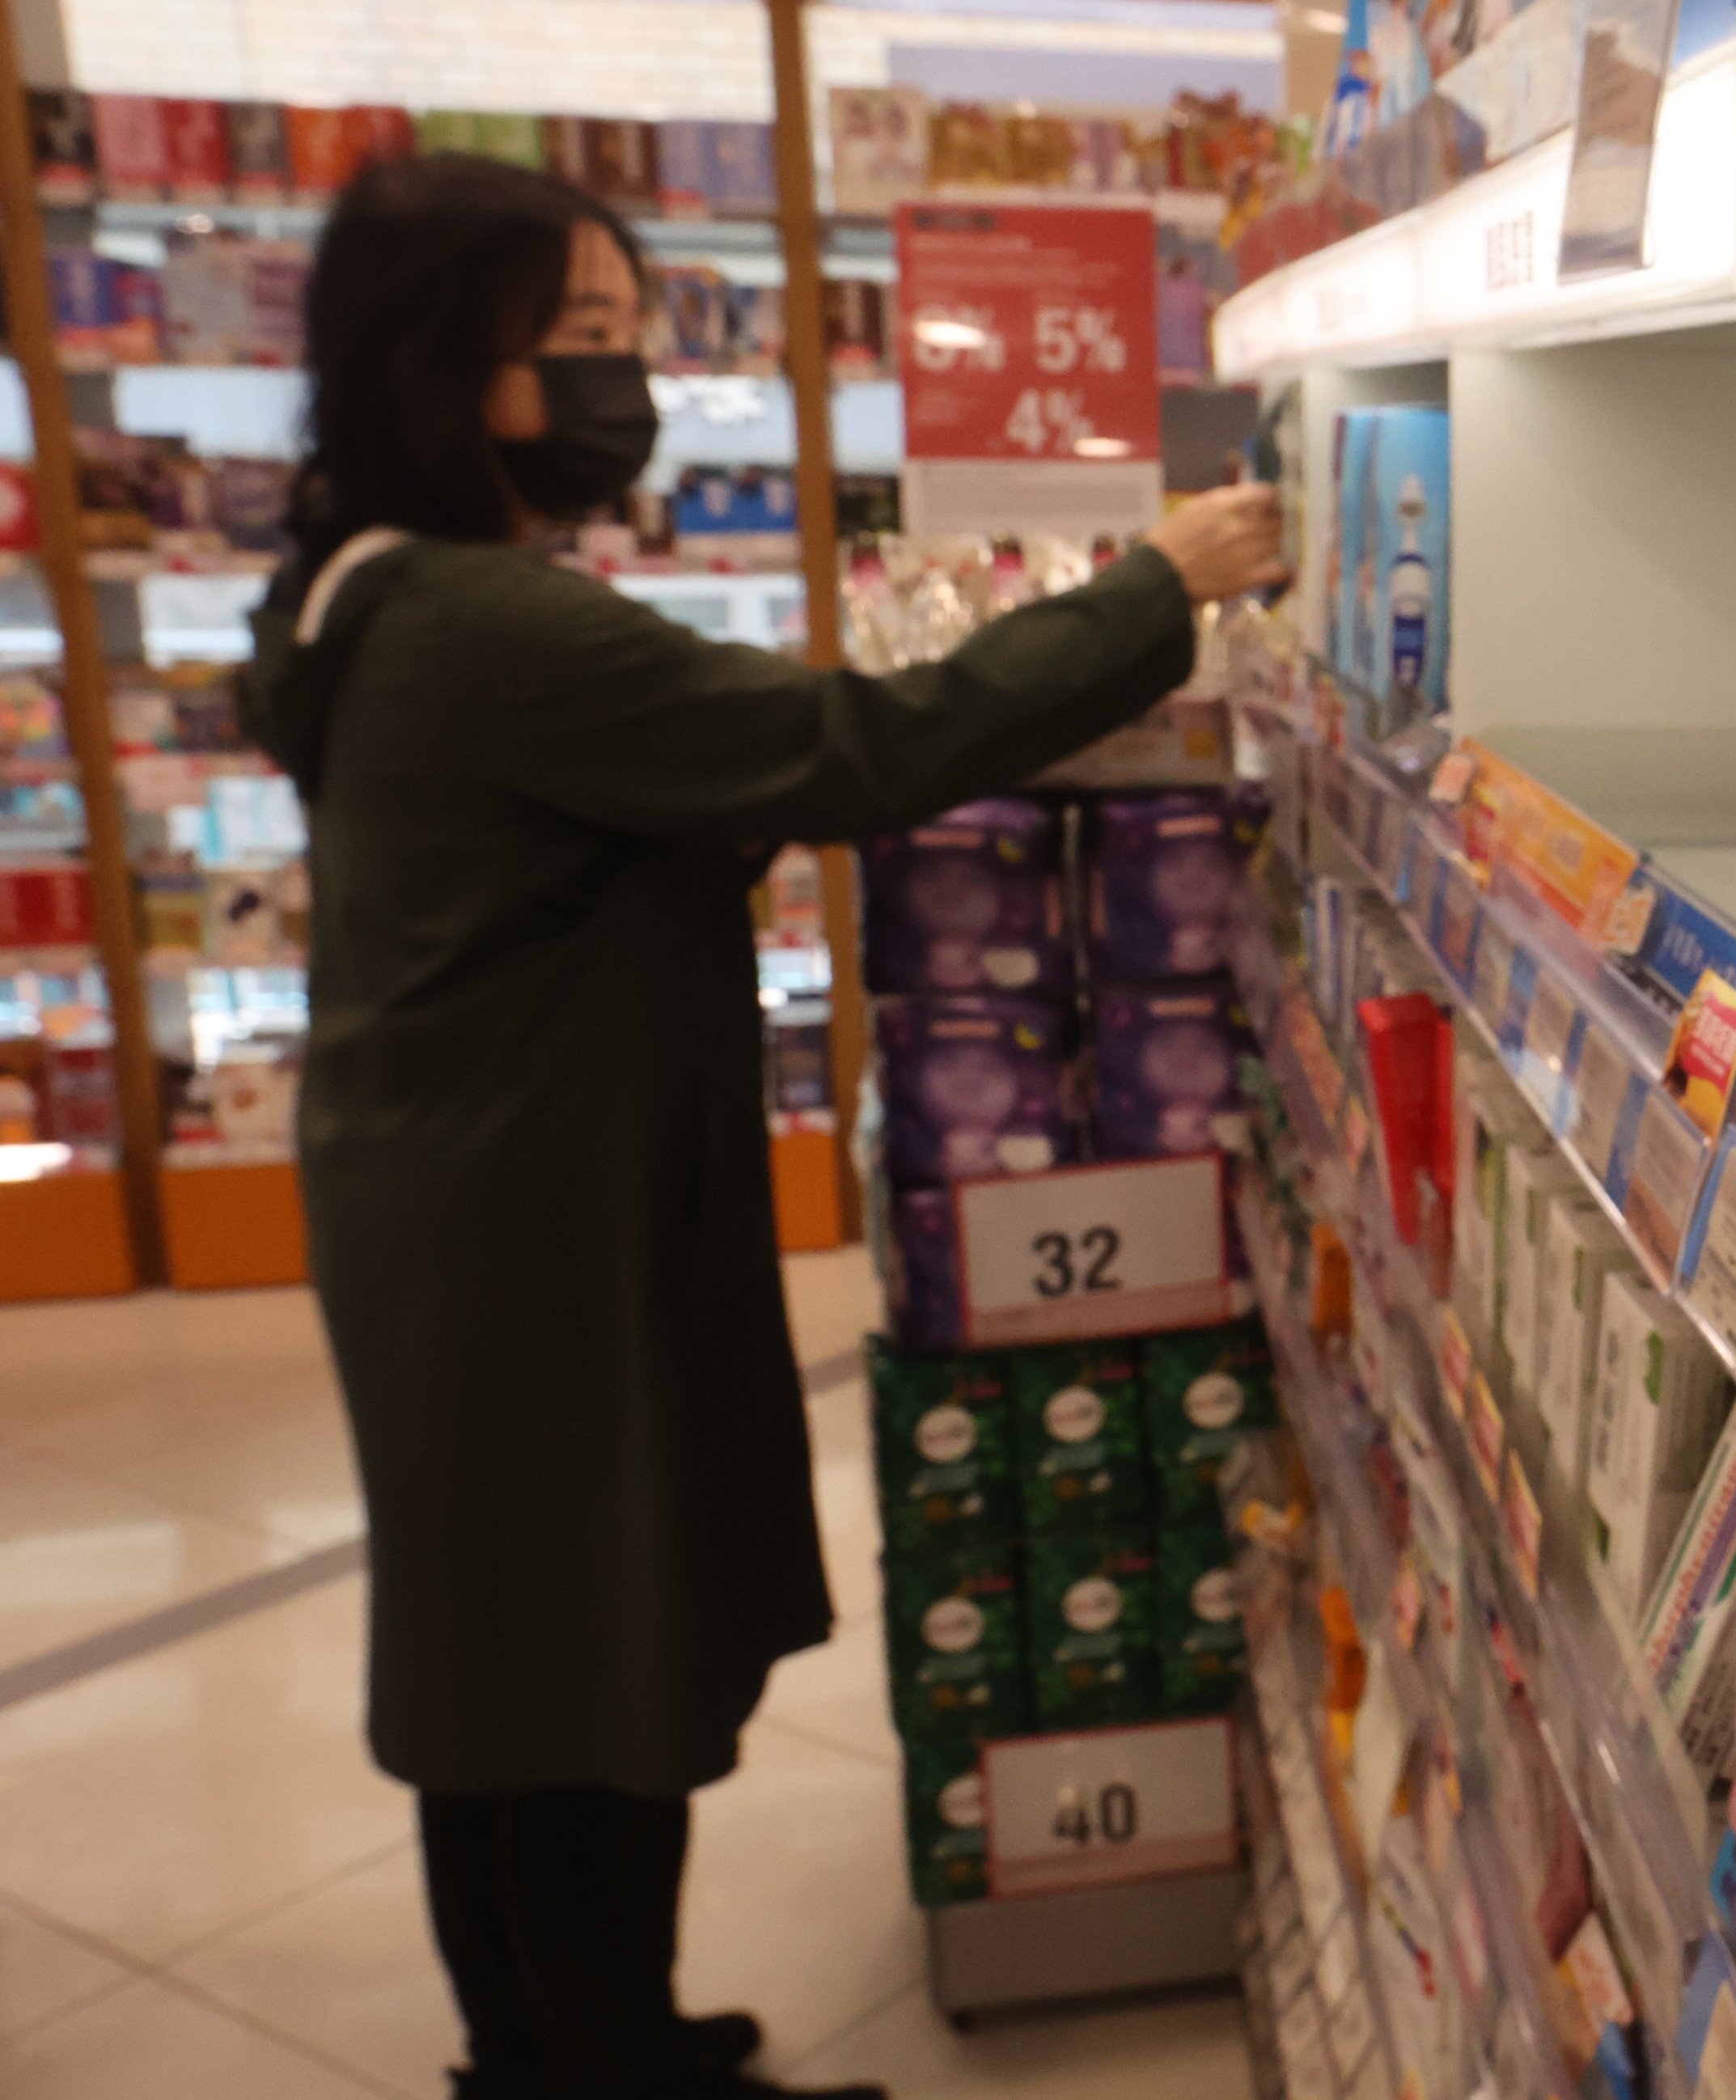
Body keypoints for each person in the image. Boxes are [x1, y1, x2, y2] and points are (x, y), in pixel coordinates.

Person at [234, 153, 1287, 2100]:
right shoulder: (485, 622)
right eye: (591, 341)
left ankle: (559, 2043)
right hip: (525, 1219)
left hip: (470, 1186)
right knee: (577, 1666)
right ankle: (601, 2063)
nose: (626, 380)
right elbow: (849, 749)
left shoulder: (368, 586)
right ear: (452, 359)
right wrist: (1157, 587)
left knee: (509, 1657)